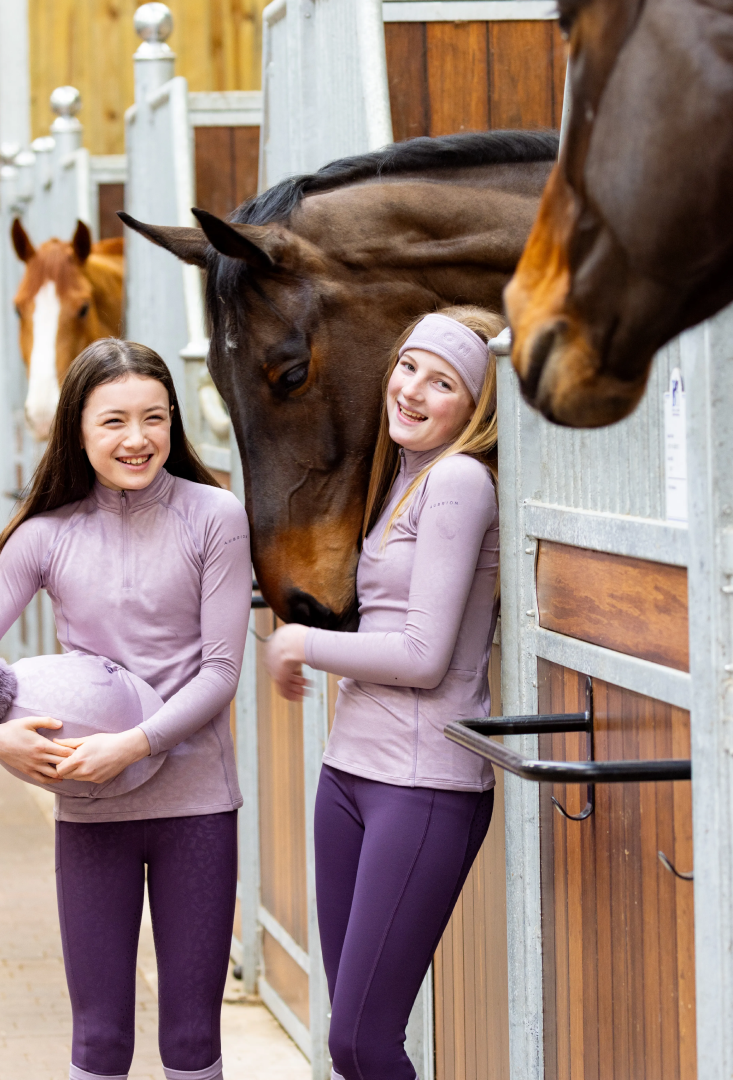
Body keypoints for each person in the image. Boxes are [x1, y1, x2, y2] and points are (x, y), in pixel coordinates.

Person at [0, 339, 252, 1080]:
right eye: (113, 421)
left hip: (196, 807)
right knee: (101, 1039)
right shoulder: (44, 536)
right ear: (77, 429)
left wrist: (135, 744)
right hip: (90, 811)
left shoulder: (216, 517)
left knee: (191, 1039)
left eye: (155, 418)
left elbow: (221, 672)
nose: (137, 439)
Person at [265, 306, 505, 1080]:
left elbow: (423, 654)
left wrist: (303, 643)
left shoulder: (460, 481)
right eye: (409, 366)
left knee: (362, 1042)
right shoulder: (401, 476)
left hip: (422, 782)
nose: (413, 390)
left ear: (473, 407)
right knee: (350, 1044)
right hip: (350, 774)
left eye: (443, 382)